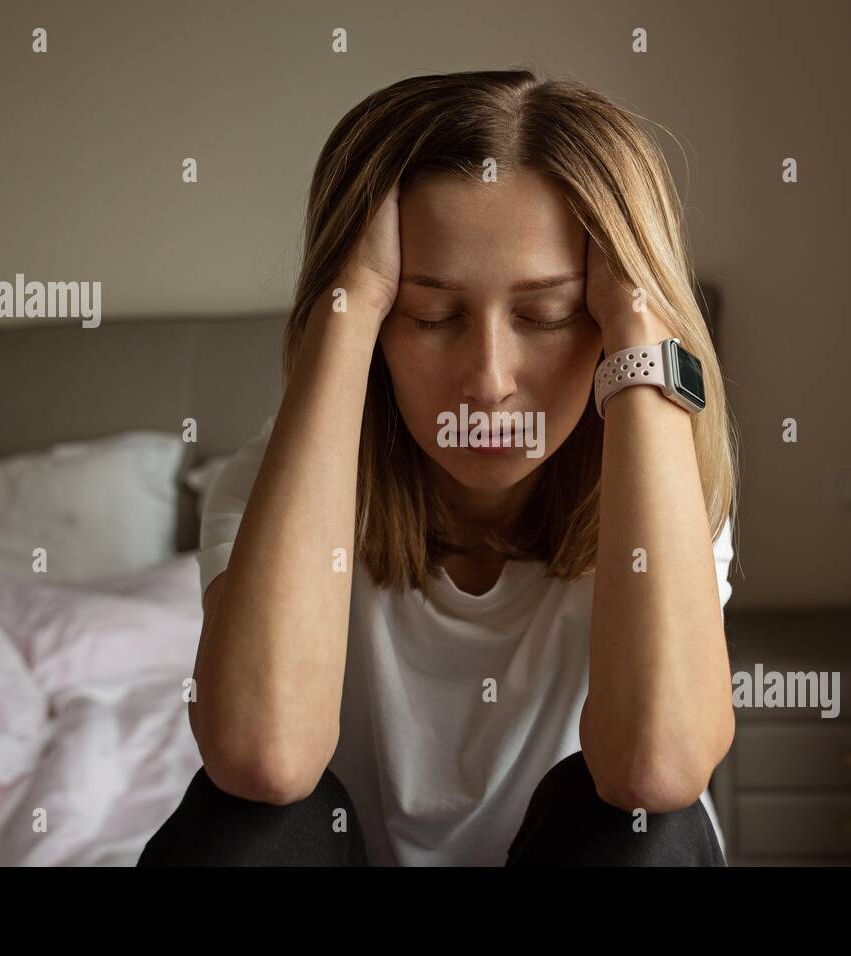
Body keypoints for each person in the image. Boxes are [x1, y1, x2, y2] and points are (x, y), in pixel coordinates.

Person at [139, 68, 739, 867]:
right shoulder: (266, 486)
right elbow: (262, 756)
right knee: (246, 825)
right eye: (431, 316)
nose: (488, 381)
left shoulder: (659, 479)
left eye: (547, 315)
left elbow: (656, 768)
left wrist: (639, 322)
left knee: (646, 831)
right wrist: (345, 311)